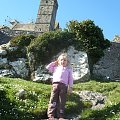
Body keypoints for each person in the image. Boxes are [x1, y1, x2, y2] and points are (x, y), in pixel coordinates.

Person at [46, 53, 73, 120]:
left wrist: (70, 87)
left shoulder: (68, 70)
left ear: (67, 62)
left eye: (64, 60)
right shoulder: (55, 68)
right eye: (61, 60)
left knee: (62, 101)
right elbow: (48, 67)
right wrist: (54, 63)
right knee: (53, 99)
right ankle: (51, 115)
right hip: (55, 85)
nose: (63, 61)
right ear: (58, 61)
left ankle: (60, 115)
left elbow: (71, 79)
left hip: (64, 86)